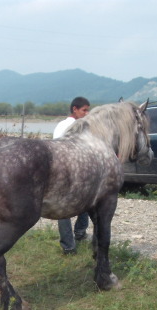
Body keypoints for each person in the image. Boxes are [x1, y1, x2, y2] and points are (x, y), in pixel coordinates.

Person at [53, 96, 91, 254]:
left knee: (78, 204)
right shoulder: (77, 125)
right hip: (71, 171)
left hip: (61, 169)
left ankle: (74, 239)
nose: (87, 113)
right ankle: (72, 242)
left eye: (88, 110)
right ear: (75, 109)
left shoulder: (60, 125)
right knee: (68, 208)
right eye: (84, 110)